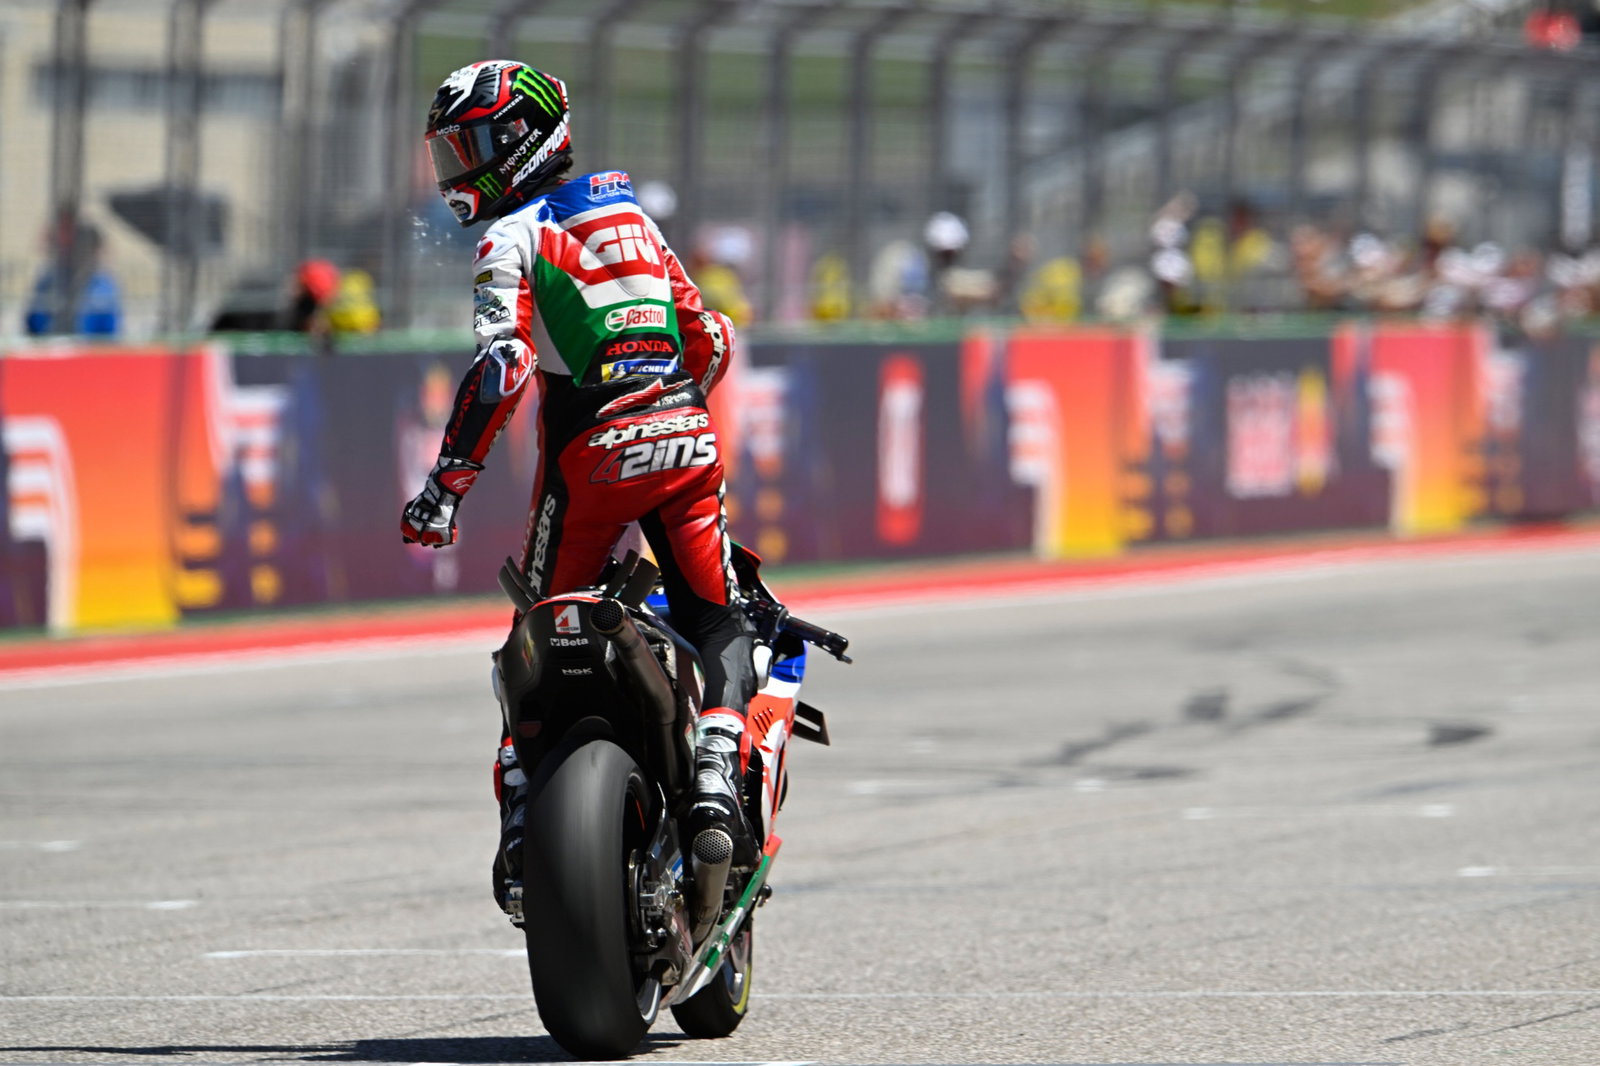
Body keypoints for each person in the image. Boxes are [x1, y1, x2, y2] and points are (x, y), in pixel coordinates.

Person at [399, 60, 754, 924]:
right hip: (684, 432)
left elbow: (505, 364)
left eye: (471, 149)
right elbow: (709, 335)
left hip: (590, 454)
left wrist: (446, 486)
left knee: (533, 638)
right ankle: (715, 769)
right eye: (450, 152)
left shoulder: (510, 236)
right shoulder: (631, 213)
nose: (458, 171)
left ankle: (527, 813)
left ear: (521, 141)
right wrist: (671, 409)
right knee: (718, 619)